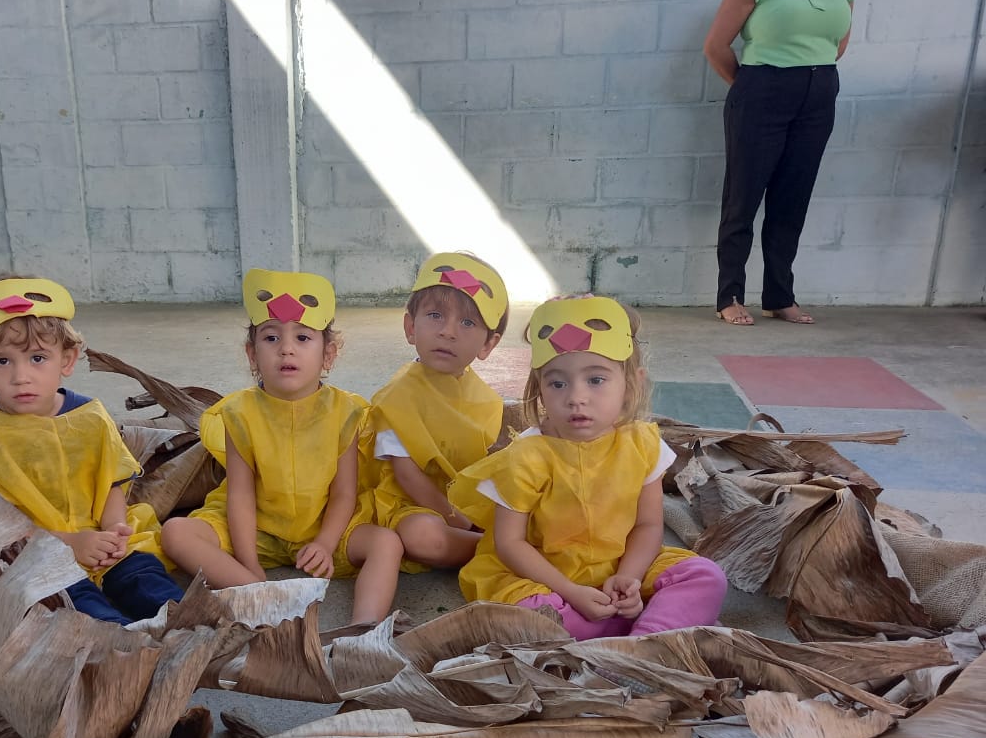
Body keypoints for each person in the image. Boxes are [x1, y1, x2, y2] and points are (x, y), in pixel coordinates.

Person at [449, 296, 728, 639]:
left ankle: (646, 642)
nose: (575, 397)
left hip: (619, 566)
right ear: (539, 389)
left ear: (632, 383)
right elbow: (510, 544)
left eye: (595, 380)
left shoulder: (643, 443)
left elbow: (648, 524)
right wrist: (570, 592)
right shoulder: (525, 455)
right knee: (530, 617)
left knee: (706, 575)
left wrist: (631, 577)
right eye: (557, 383)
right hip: (546, 578)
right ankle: (654, 628)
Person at [0, 276, 183, 626]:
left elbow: (111, 482)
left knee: (144, 577)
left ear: (68, 359)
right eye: (2, 361)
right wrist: (69, 543)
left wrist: (114, 529)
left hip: (94, 537)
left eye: (37, 358)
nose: (21, 376)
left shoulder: (89, 416)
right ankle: (114, 638)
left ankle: (186, 623)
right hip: (31, 554)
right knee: (71, 604)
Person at [160, 268, 403, 625]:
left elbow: (344, 493)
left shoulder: (346, 412)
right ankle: (260, 595)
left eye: (303, 338)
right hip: (257, 529)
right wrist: (249, 562)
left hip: (324, 526)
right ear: (252, 354)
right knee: (176, 532)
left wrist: (324, 542)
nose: (286, 348)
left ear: (328, 354)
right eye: (271, 338)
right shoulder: (239, 412)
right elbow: (240, 495)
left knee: (387, 543)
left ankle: (361, 629)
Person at [704, 0, 854, 326]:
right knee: (742, 200)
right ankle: (729, 296)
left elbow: (837, 45)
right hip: (763, 89)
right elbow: (715, 46)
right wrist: (752, 87)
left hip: (820, 91)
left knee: (792, 200)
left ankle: (779, 297)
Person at [368, 252, 507, 571]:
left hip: (465, 501)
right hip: (411, 505)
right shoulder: (397, 396)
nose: (448, 331)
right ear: (410, 327)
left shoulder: (485, 399)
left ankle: (507, 544)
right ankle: (500, 552)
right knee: (422, 538)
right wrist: (461, 521)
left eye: (468, 322)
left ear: (488, 344)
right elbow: (407, 476)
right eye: (435, 315)